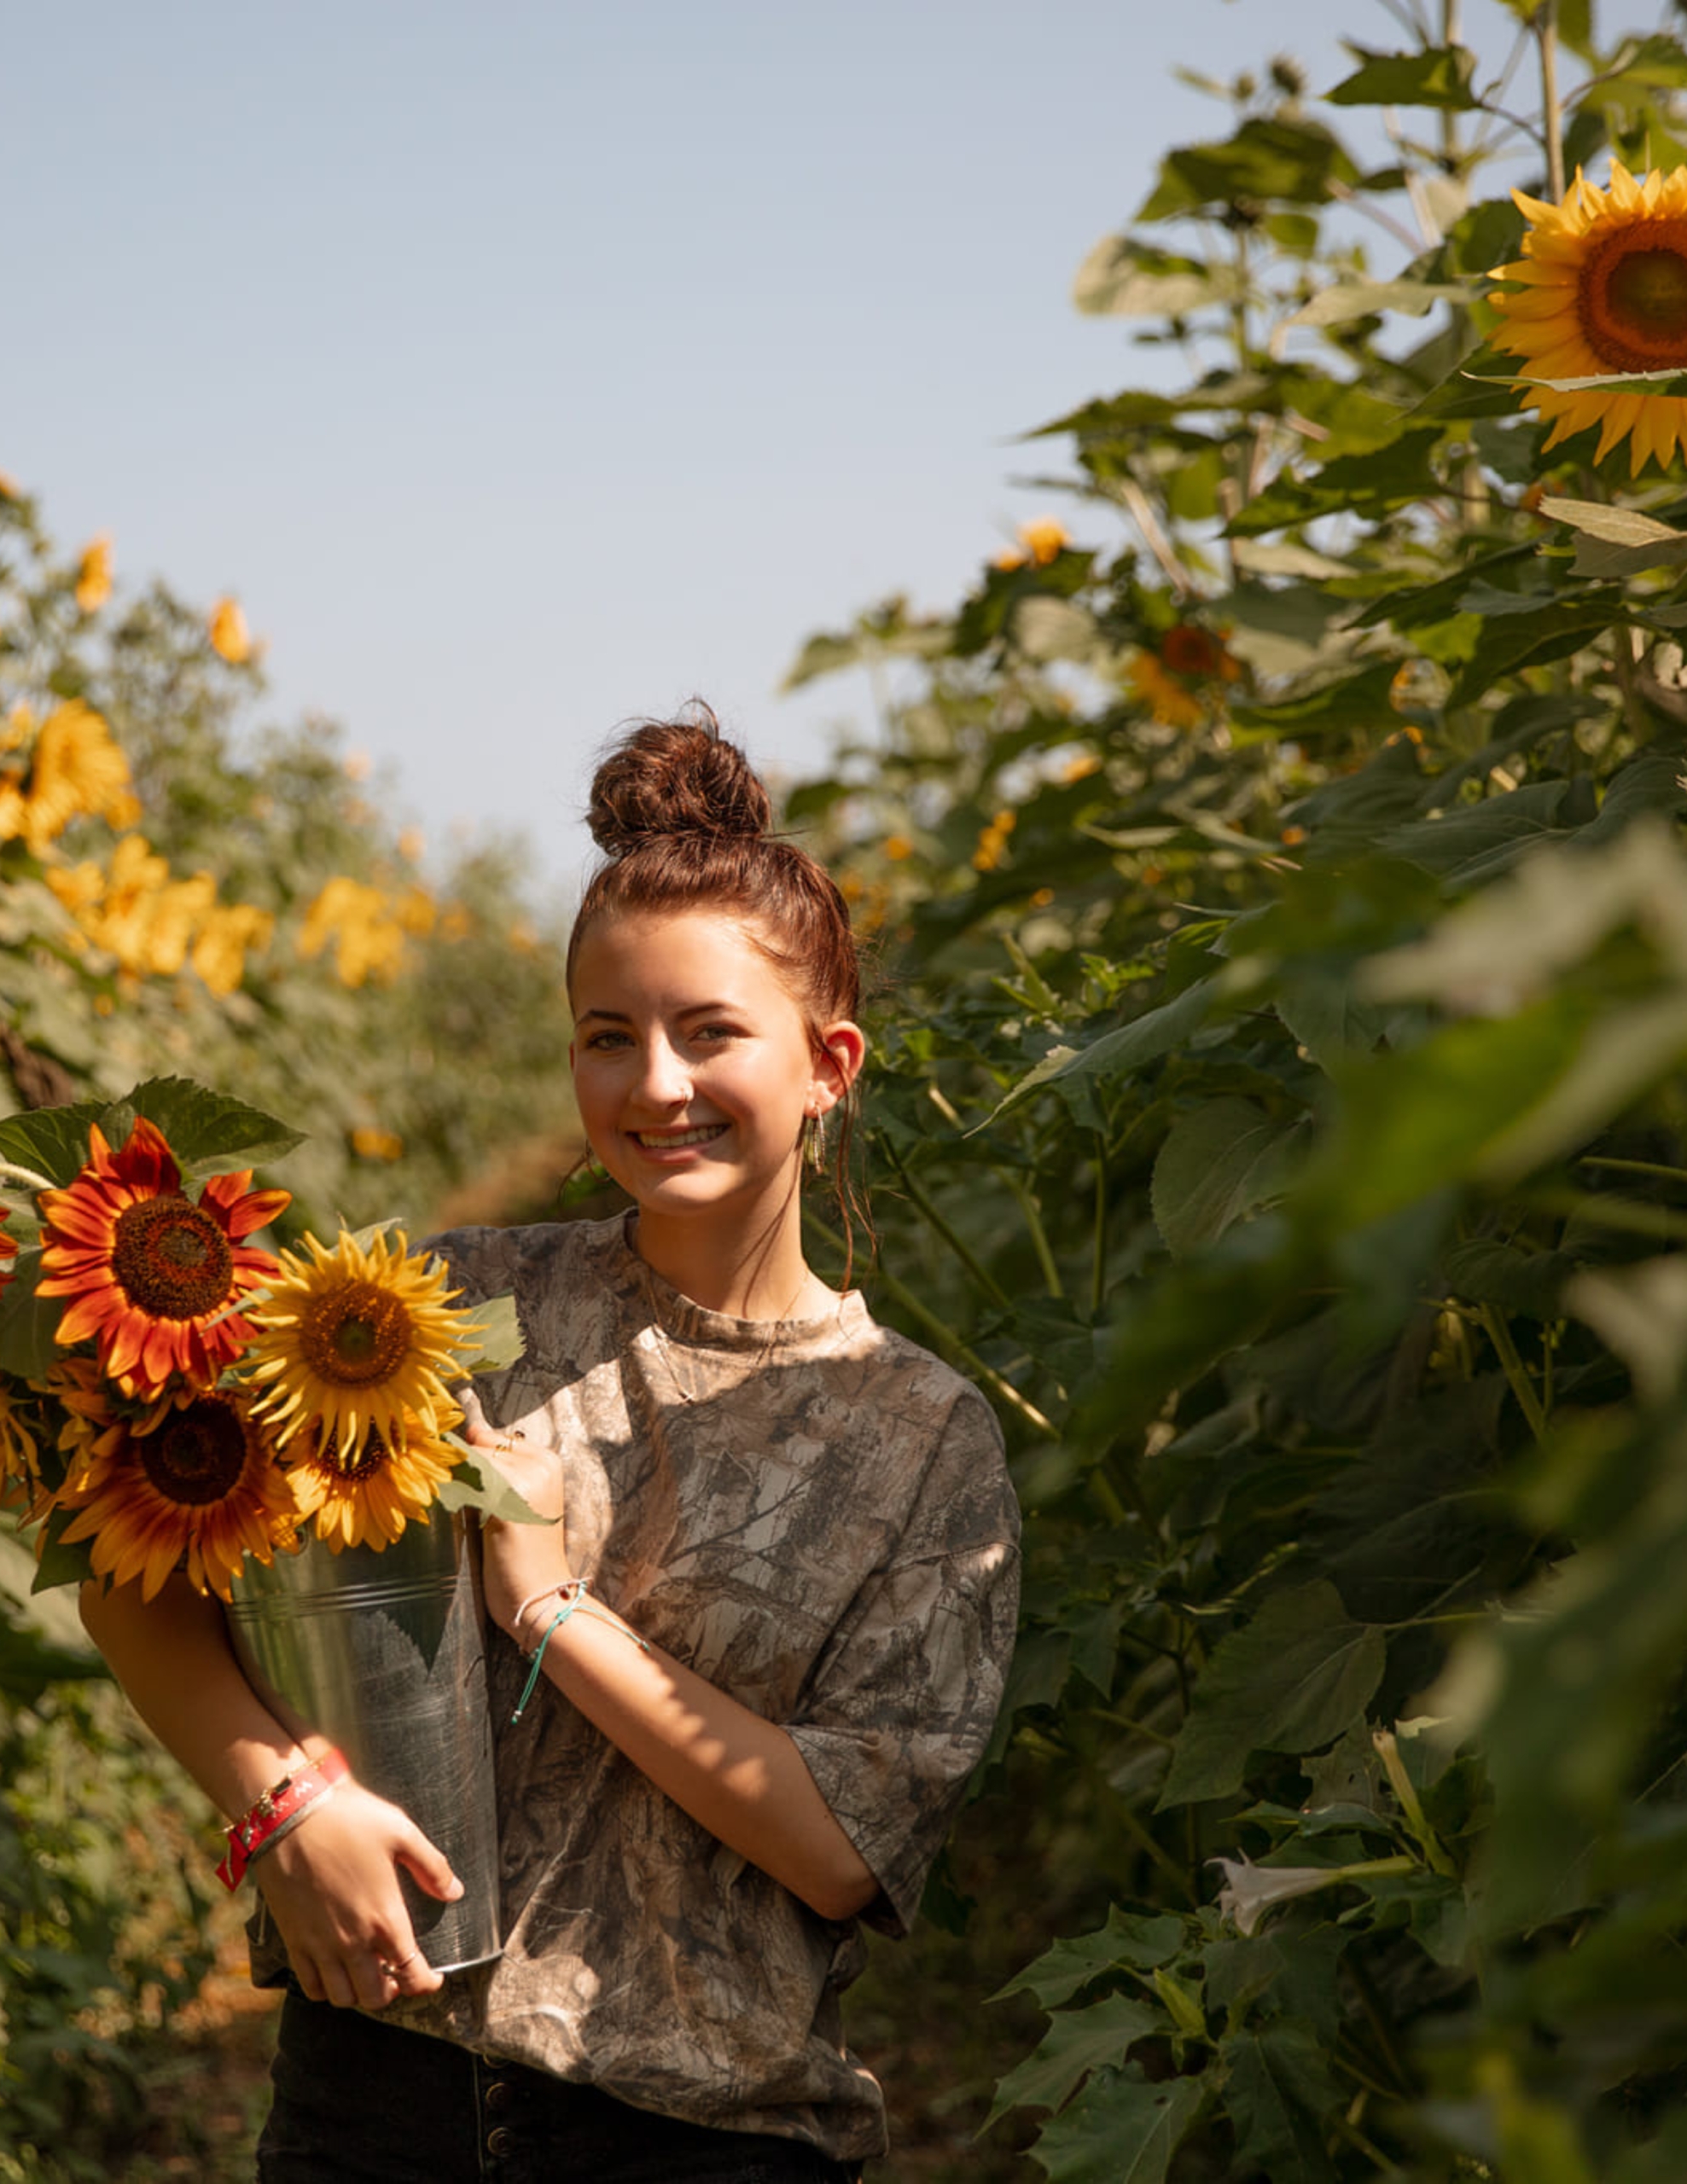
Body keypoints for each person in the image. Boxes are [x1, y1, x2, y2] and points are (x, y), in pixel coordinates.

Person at [79, 706, 1021, 2181]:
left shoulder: (918, 1436)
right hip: (375, 2096)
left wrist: (547, 1606)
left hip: (704, 2137)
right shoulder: (429, 1309)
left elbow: (843, 1846)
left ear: (829, 1063)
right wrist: (288, 1807)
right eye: (608, 1037)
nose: (655, 1085)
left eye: (710, 1032)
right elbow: (143, 1577)